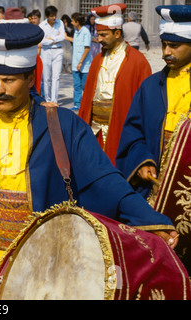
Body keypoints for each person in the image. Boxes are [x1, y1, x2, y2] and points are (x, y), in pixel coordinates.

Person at [0, 21, 178, 299]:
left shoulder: (63, 126)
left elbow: (105, 180)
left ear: (30, 78)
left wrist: (149, 220)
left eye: (9, 80)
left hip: (52, 270)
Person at [116, 5, 191, 273]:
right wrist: (142, 161)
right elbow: (133, 131)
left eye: (175, 46)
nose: (167, 52)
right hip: (156, 187)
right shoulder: (150, 86)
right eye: (164, 45)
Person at [78, 3, 151, 165]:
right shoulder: (97, 60)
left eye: (104, 35)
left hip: (120, 131)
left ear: (117, 33)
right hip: (95, 132)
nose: (99, 40)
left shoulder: (138, 61)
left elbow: (146, 104)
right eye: (98, 35)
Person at [66, 12, 91, 111]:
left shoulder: (86, 32)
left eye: (73, 20)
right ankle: (77, 104)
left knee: (85, 86)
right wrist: (66, 37)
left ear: (77, 22)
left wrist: (81, 62)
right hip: (75, 64)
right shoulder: (76, 31)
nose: (71, 22)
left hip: (84, 65)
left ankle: (87, 104)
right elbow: (76, 42)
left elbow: (87, 48)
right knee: (76, 86)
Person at [39, 6, 65, 103]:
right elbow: (42, 41)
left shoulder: (60, 23)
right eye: (51, 16)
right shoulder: (42, 25)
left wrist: (51, 39)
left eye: (55, 15)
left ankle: (54, 100)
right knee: (46, 78)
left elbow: (62, 36)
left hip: (58, 51)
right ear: (47, 16)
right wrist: (55, 39)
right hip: (46, 52)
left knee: (56, 76)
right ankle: (48, 99)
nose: (54, 18)